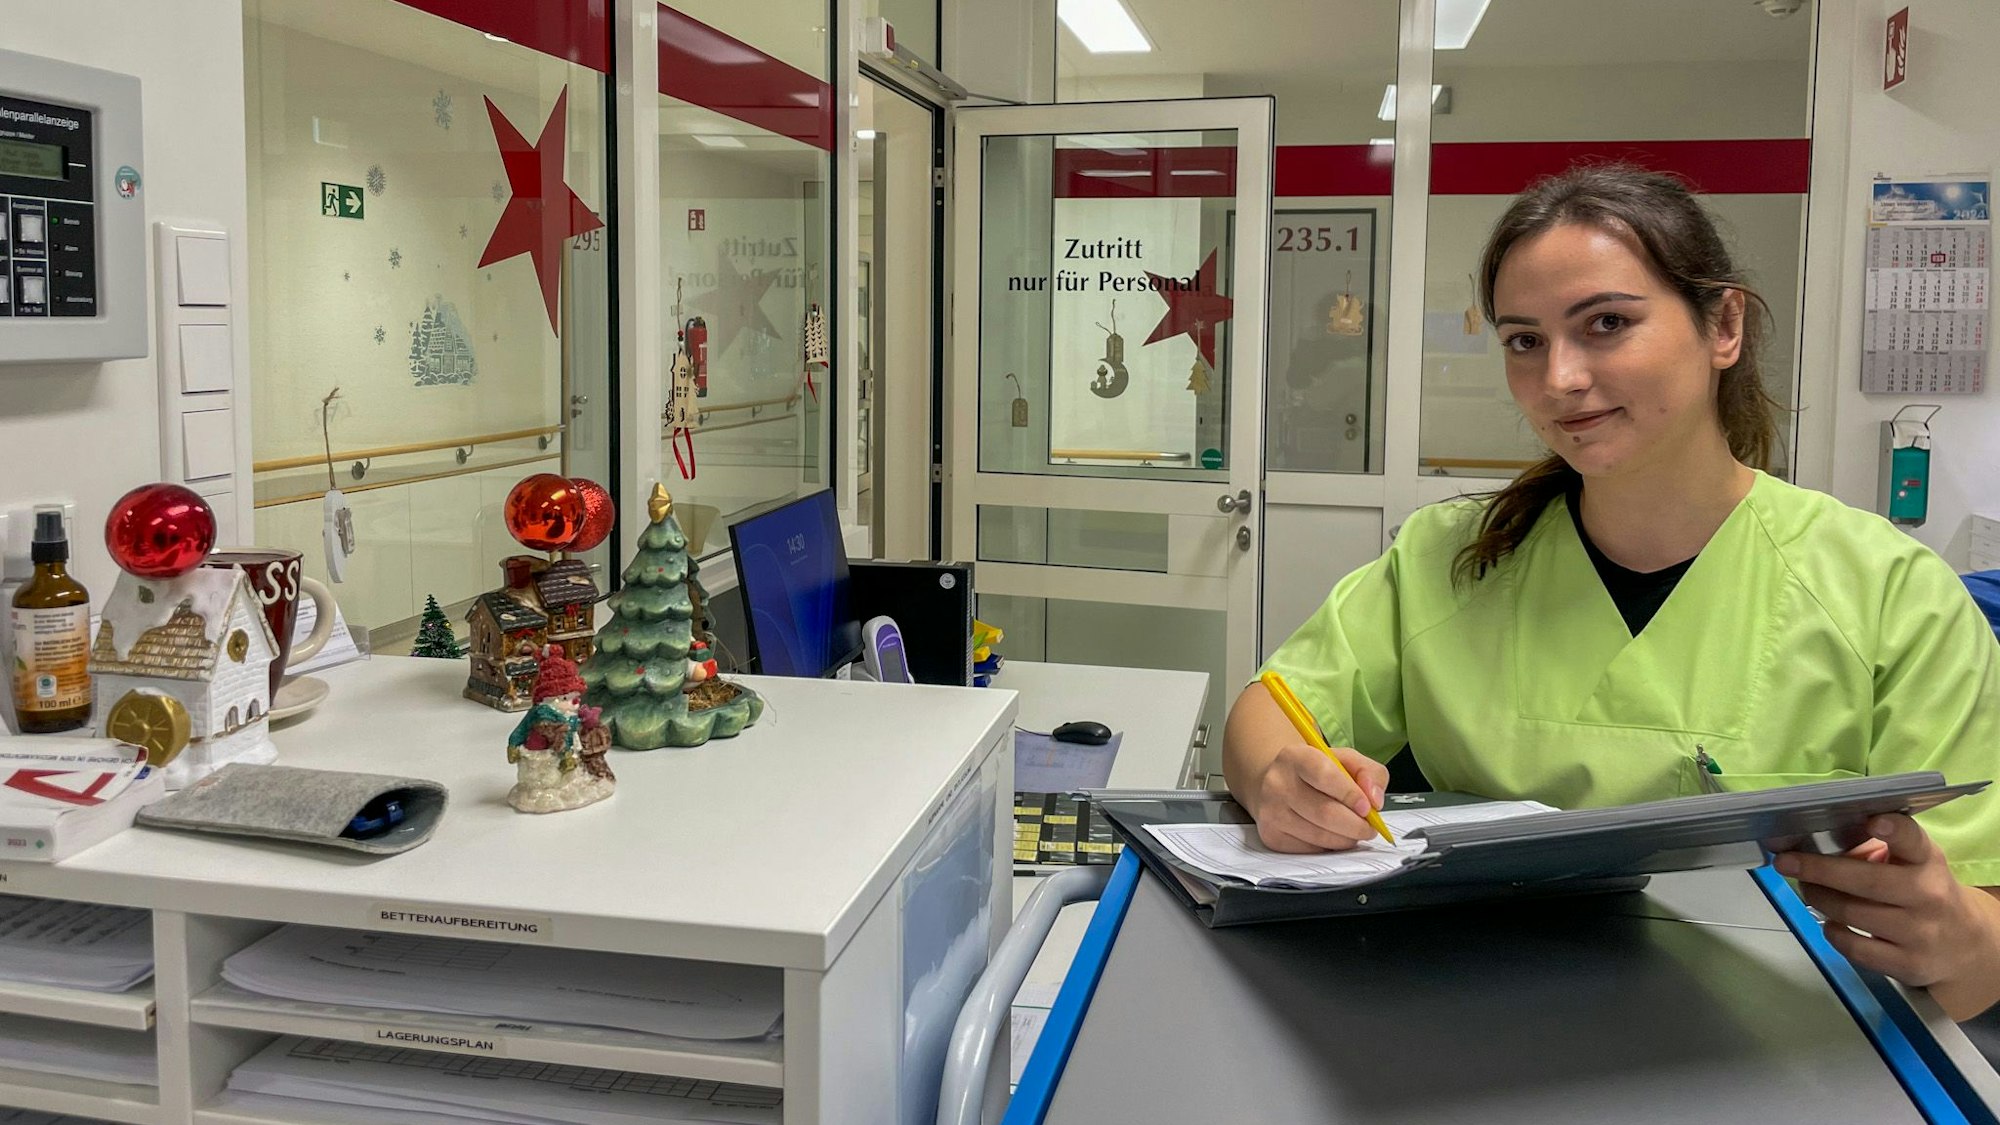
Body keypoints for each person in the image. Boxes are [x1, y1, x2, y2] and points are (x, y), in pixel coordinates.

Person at [1225, 163, 2000, 1019]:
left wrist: (1963, 940)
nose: (1558, 378)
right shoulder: (1451, 558)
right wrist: (1279, 784)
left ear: (1725, 325)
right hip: (1465, 1012)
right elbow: (1268, 713)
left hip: (1777, 1043)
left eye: (1606, 323)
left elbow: (1976, 956)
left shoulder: (1891, 594)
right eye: (1524, 340)